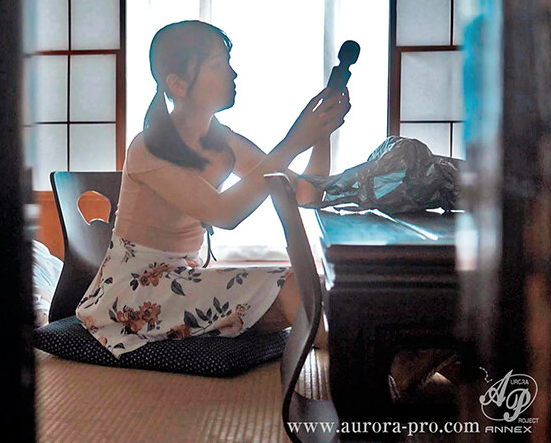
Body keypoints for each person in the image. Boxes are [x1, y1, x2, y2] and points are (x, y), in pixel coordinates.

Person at [75, 20, 350, 357]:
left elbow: (306, 194)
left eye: (228, 62)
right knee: (296, 289)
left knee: (316, 287)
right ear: (177, 83)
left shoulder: (223, 142)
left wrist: (321, 132)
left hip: (182, 279)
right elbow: (225, 213)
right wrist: (293, 142)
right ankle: (367, 369)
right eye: (217, 65)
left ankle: (389, 361)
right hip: (133, 294)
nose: (232, 73)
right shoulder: (147, 148)